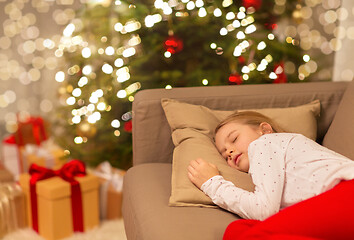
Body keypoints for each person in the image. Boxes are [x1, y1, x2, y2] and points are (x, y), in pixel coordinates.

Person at [187, 111, 354, 240]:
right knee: (236, 230)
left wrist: (212, 183)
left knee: (248, 236)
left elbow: (263, 210)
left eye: (235, 138)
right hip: (335, 205)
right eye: (224, 156)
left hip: (346, 193)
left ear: (264, 130)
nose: (230, 151)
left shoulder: (264, 143)